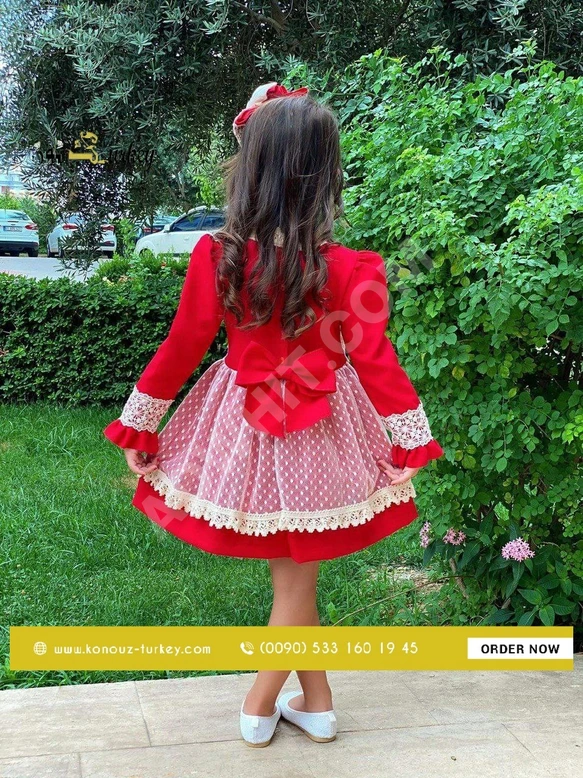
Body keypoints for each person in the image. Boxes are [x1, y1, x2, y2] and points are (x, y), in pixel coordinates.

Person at [103, 81, 444, 748]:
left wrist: (142, 423)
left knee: (293, 577)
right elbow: (376, 360)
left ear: (250, 169)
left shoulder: (219, 255)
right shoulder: (353, 267)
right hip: (323, 431)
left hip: (243, 426)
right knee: (295, 576)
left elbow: (182, 345)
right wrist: (409, 440)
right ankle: (316, 704)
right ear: (325, 173)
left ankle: (260, 705)